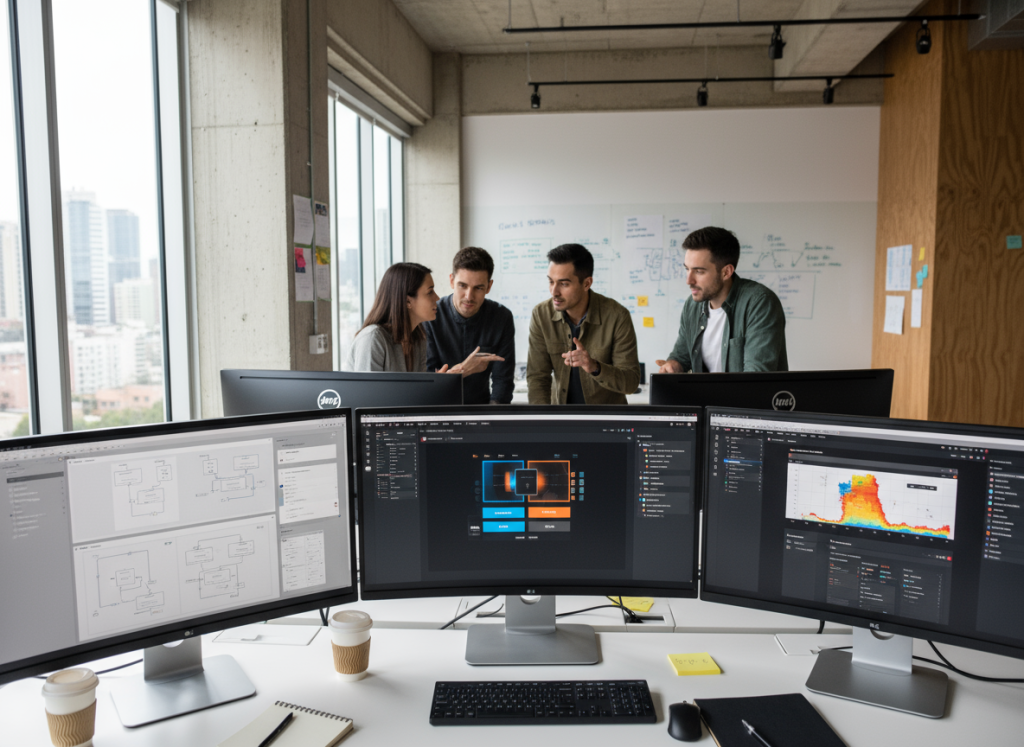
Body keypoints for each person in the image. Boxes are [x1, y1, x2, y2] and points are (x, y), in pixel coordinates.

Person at [657, 226, 787, 374]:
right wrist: (674, 365)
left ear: (726, 272)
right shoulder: (692, 305)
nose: (689, 280)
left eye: (699, 271)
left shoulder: (759, 303)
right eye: (687, 269)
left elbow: (755, 377)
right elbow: (682, 356)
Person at [527, 243, 640, 404]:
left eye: (564, 284)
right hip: (561, 416)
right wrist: (543, 418)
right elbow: (537, 377)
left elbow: (631, 383)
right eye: (551, 282)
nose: (554, 292)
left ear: (587, 283)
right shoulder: (541, 315)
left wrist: (595, 367)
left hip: (606, 417)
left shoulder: (617, 316)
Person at [344, 262, 503, 375]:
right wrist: (461, 370)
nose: (437, 298)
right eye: (430, 292)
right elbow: (367, 402)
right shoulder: (373, 339)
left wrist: (450, 376)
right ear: (408, 301)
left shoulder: (418, 339)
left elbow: (416, 398)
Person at [423, 247, 516, 404]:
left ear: (489, 286)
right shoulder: (431, 316)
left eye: (478, 288)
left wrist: (493, 415)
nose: (469, 296)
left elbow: (503, 381)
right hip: (438, 407)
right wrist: (463, 369)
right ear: (451, 281)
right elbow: (427, 381)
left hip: (483, 410)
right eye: (462, 285)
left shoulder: (501, 317)